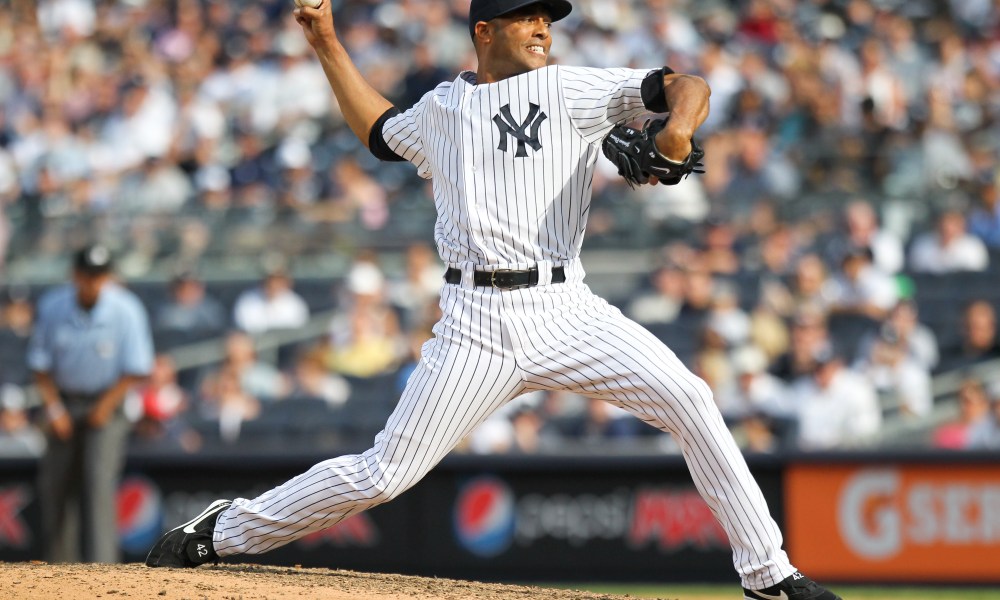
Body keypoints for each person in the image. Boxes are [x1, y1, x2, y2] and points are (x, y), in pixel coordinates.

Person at [145, 3, 841, 599]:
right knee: (385, 473)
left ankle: (767, 574)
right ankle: (222, 531)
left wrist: (677, 130)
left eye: (547, 16)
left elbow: (685, 85)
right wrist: (326, 42)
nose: (543, 26)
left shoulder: (572, 88)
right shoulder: (443, 108)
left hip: (567, 308)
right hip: (473, 323)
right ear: (485, 31)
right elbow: (380, 132)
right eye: (526, 16)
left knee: (690, 399)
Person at [28, 244, 154, 562]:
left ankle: (102, 571)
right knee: (56, 487)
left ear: (107, 277)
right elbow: (40, 368)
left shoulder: (126, 308)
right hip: (64, 403)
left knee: (98, 484)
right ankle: (57, 570)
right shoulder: (54, 305)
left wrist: (106, 405)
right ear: (75, 275)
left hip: (107, 407)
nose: (93, 282)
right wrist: (55, 409)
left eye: (99, 275)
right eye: (87, 275)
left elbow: (137, 368)